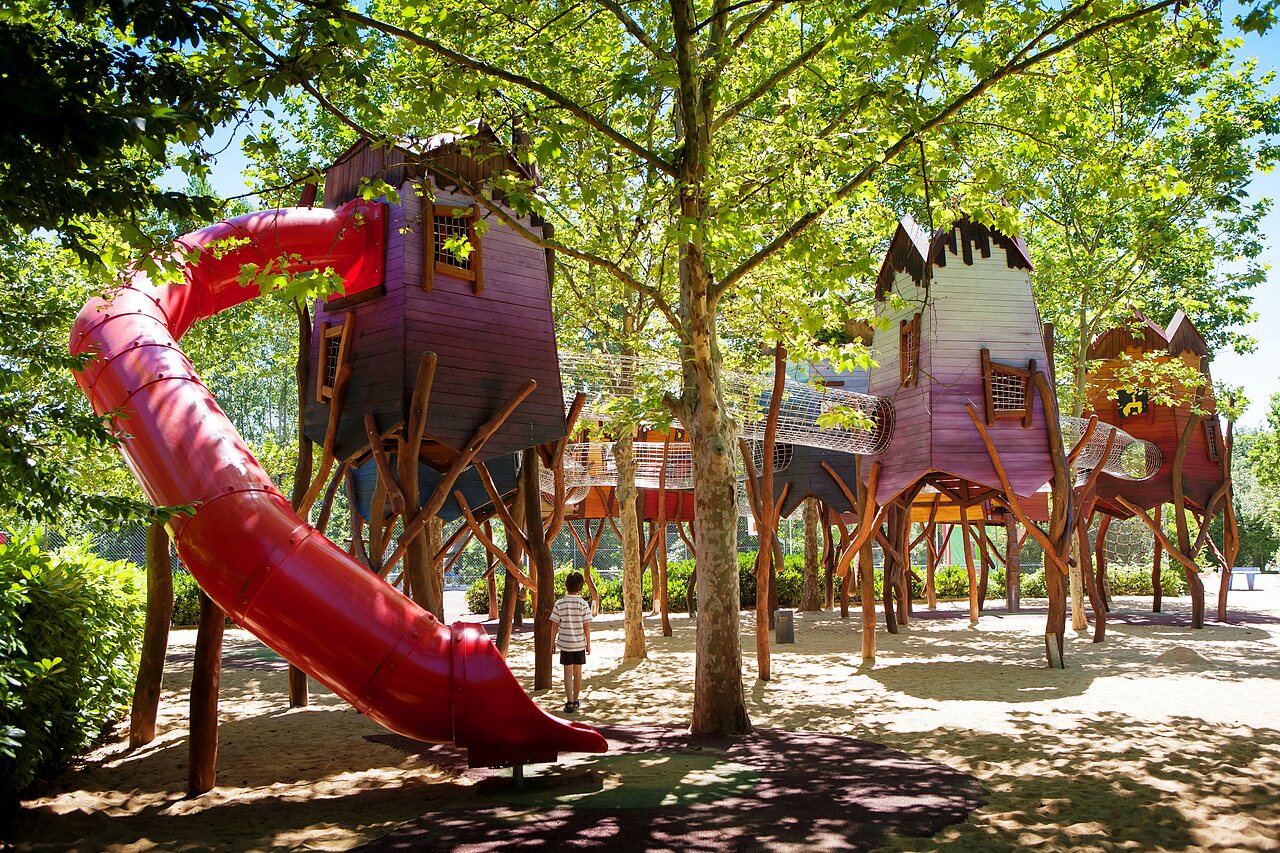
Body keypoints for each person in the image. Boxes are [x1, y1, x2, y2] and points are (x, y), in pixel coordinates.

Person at [549, 571, 591, 713]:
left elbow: (554, 624)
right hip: (579, 643)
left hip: (565, 643)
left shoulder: (559, 603)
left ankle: (569, 701)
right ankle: (576, 699)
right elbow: (587, 626)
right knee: (578, 673)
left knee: (567, 672)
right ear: (580, 587)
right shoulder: (583, 604)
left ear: (566, 585)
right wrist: (588, 644)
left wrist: (552, 642)